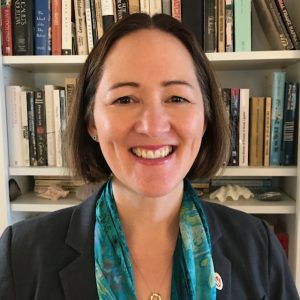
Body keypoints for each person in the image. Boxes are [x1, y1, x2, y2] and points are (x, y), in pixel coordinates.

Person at [0, 13, 299, 300]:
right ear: (91, 121)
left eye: (177, 98)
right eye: (125, 99)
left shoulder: (260, 249)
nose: (153, 126)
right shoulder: (21, 255)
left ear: (205, 118)